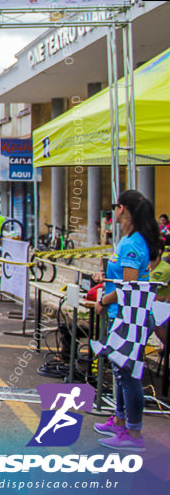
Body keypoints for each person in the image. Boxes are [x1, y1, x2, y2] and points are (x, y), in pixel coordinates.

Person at [91, 189, 161, 452]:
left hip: (128, 317)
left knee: (129, 377)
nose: (113, 211)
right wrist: (104, 278)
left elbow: (129, 286)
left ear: (122, 209)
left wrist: (103, 300)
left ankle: (134, 433)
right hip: (125, 316)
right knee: (122, 374)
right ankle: (120, 421)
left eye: (115, 206)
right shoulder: (132, 240)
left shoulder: (132, 244)